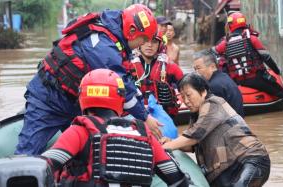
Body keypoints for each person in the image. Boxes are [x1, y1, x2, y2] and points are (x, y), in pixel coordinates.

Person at [16, 4, 162, 156]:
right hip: (48, 99)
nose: (144, 43)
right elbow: (122, 86)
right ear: (132, 31)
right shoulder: (103, 46)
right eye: (143, 39)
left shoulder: (115, 33)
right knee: (27, 152)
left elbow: (127, 81)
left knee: (90, 154)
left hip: (75, 104)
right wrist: (145, 117)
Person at [41, 69, 189, 187]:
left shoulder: (79, 131)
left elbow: (43, 166)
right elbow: (176, 178)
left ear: (82, 97)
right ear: (121, 98)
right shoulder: (144, 134)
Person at [162, 73, 270, 187]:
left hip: (249, 160)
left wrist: (162, 148)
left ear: (203, 92)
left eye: (189, 95)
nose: (186, 101)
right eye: (183, 97)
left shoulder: (213, 104)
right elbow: (191, 145)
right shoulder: (196, 116)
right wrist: (170, 141)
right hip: (226, 169)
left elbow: (193, 137)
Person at [214, 12, 283, 112]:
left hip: (238, 81)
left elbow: (214, 53)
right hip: (256, 79)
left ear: (230, 25)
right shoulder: (252, 39)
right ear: (244, 23)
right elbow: (266, 58)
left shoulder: (224, 44)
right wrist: (276, 71)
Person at [125, 31, 183, 117]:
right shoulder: (128, 66)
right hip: (136, 115)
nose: (149, 45)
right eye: (146, 40)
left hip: (163, 115)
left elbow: (186, 87)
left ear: (160, 45)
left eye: (154, 41)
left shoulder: (170, 66)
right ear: (139, 43)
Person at [193, 49, 244, 117]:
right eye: (195, 69)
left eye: (198, 68)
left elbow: (211, 117)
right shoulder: (224, 76)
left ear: (212, 66)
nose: (196, 73)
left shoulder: (214, 86)